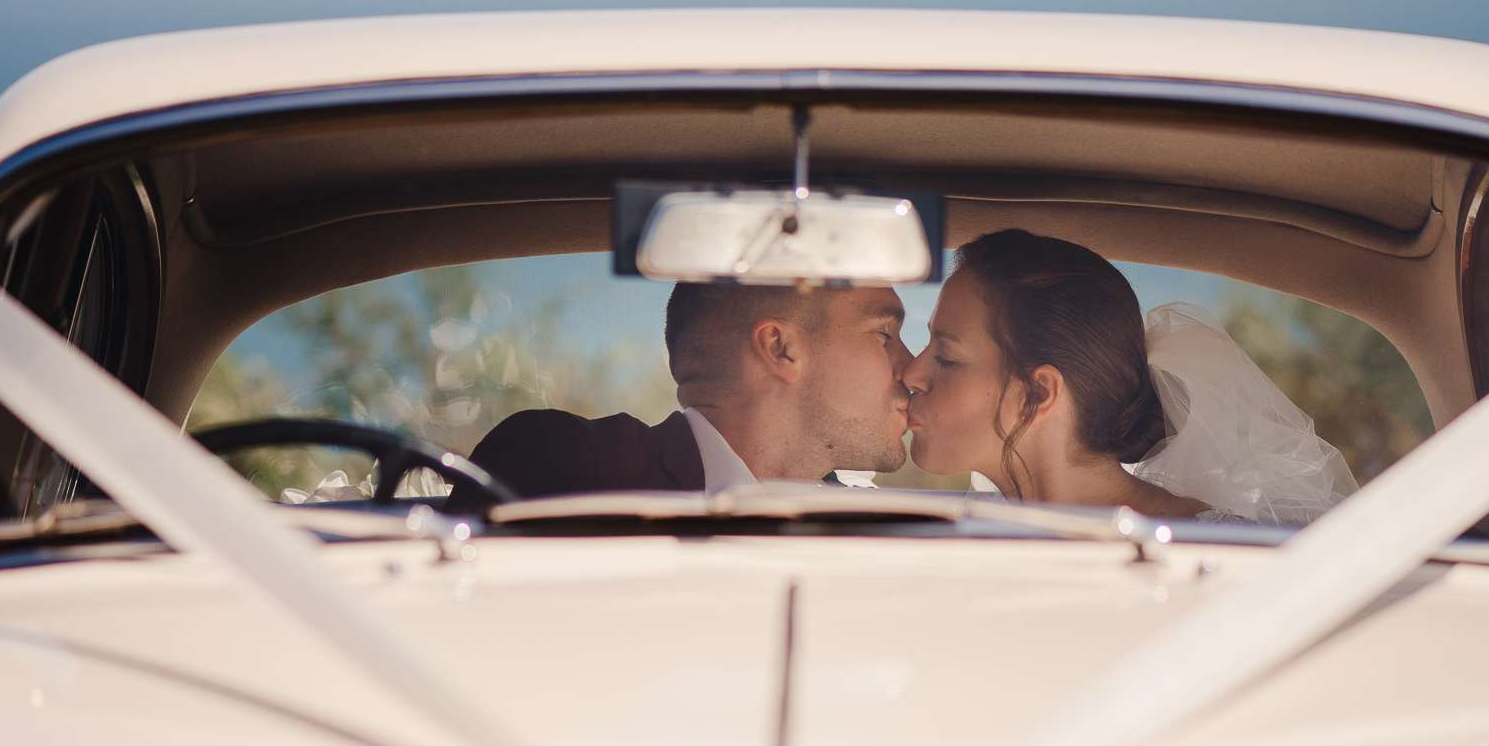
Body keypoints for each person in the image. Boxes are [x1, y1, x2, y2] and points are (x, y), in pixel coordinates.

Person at [902, 229, 1355, 523]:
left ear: (1037, 395)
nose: (912, 372)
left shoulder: (1212, 551)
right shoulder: (959, 532)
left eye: (946, 357)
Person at [466, 280, 913, 498]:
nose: (912, 369)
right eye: (884, 335)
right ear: (780, 348)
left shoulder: (876, 520)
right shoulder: (563, 467)